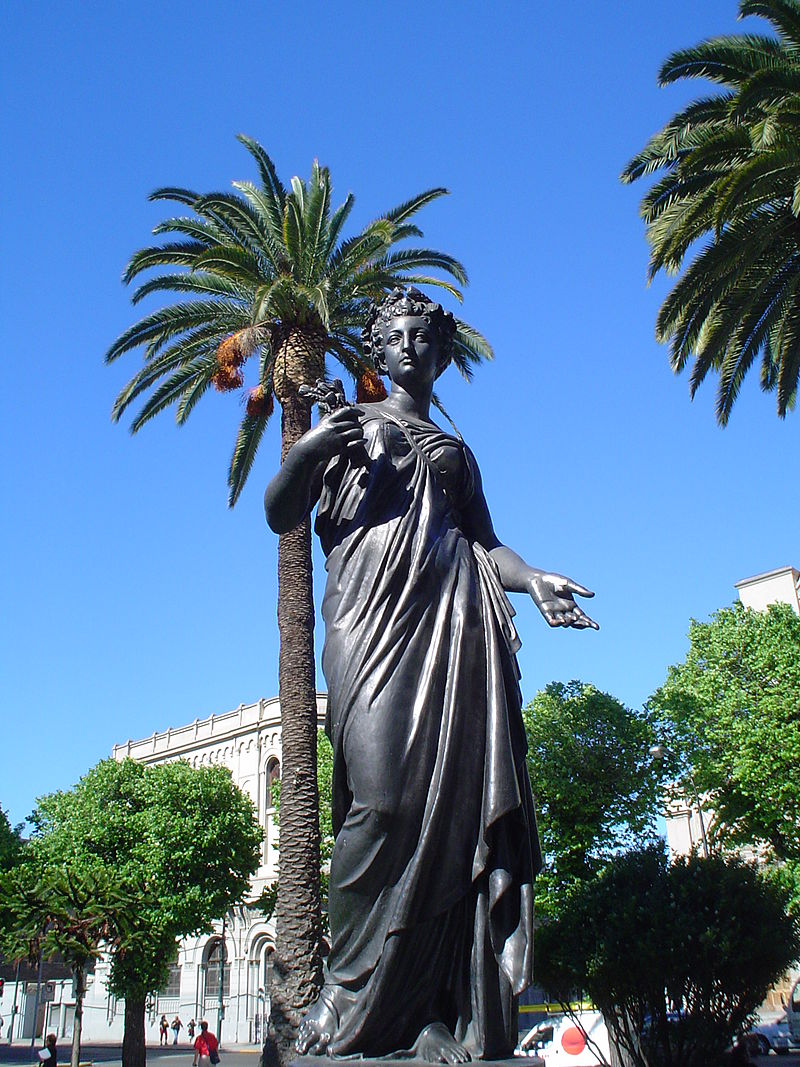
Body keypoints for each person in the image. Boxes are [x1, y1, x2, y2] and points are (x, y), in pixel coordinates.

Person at [265, 287, 597, 1062]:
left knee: (447, 821)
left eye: (425, 336)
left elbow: (486, 541)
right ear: (378, 351)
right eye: (399, 336)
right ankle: (344, 998)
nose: (413, 346)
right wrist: (312, 449)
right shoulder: (347, 429)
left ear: (440, 353)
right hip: (370, 625)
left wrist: (534, 576)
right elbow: (281, 512)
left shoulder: (456, 452)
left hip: (452, 631)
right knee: (379, 802)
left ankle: (429, 1010)